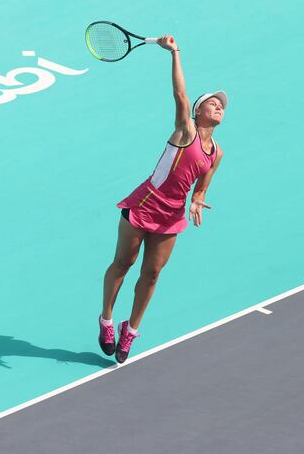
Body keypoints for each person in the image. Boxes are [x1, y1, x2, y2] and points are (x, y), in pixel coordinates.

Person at [98, 35, 227, 364]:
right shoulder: (186, 130)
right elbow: (180, 93)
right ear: (198, 111)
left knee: (152, 274)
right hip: (144, 204)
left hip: (171, 217)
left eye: (222, 106)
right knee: (124, 264)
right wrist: (175, 53)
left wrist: (197, 201)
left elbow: (200, 189)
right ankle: (107, 319)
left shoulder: (217, 154)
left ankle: (131, 328)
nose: (220, 108)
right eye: (213, 103)